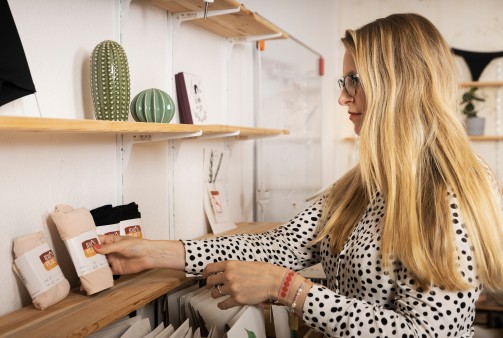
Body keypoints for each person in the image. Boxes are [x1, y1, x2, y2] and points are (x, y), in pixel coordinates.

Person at [95, 13, 503, 337]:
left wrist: (288, 290)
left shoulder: (450, 193)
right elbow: (283, 245)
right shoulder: (362, 185)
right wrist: (157, 253)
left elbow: (427, 334)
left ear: (401, 84)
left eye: (354, 81)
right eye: (344, 81)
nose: (343, 96)